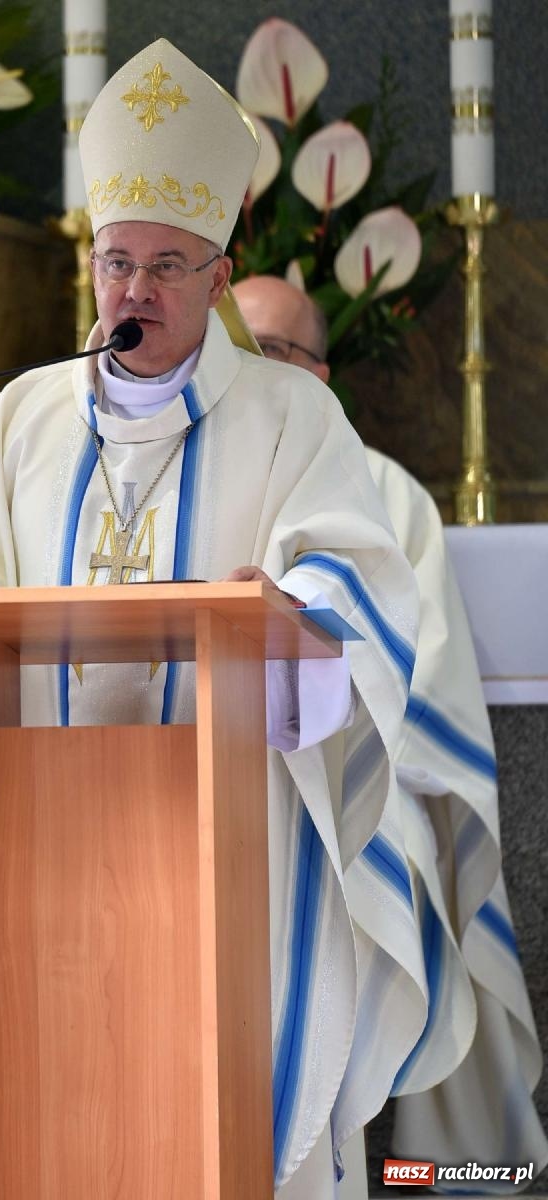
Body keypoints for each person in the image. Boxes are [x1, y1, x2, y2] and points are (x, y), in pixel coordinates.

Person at [0, 39, 433, 1199]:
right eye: (115, 261)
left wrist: (291, 615)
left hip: (240, 841)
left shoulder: (291, 419)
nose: (132, 291)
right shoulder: (20, 420)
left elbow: (354, 583)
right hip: (46, 838)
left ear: (221, 276)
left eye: (165, 267)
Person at [233, 272, 548, 1184]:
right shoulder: (179, 474)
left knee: (366, 869)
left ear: (321, 374)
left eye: (277, 351)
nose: (253, 369)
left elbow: (423, 683)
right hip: (199, 789)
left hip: (348, 784)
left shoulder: (382, 493)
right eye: (237, 347)